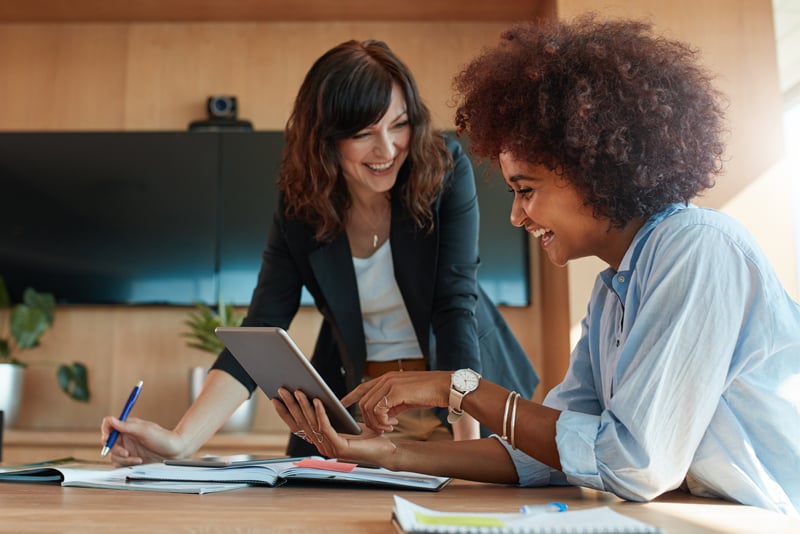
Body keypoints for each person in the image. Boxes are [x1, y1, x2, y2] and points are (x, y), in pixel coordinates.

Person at [273, 17, 800, 515]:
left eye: (526, 190)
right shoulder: (613, 291)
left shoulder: (697, 248)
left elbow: (634, 463)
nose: (517, 213)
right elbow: (549, 454)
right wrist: (388, 455)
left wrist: (458, 388)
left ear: (593, 169)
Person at [101, 39, 538, 462]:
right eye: (364, 133)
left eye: (399, 124)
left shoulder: (443, 169)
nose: (387, 149)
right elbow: (262, 328)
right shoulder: (302, 205)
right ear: (326, 138)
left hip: (461, 399)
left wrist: (467, 452)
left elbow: (454, 306)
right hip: (365, 412)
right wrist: (180, 442)